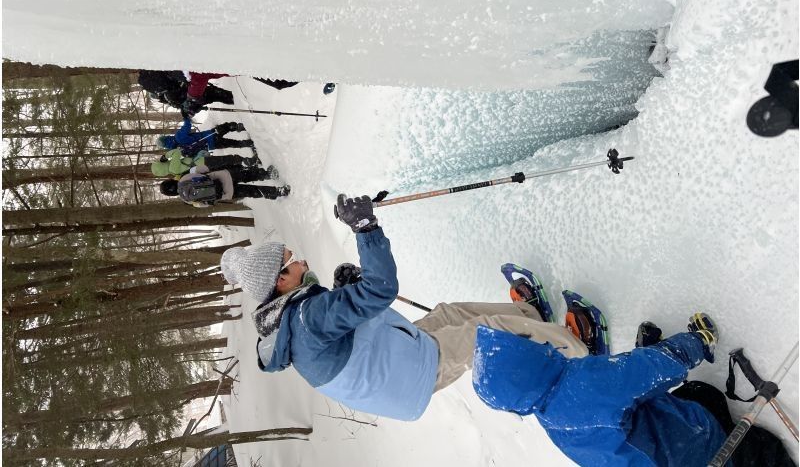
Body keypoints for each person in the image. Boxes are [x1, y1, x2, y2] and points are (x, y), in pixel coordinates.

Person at [219, 194, 587, 421]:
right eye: (292, 260)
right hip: (413, 373)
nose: (300, 261)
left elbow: (358, 334)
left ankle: (531, 318)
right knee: (484, 332)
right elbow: (381, 290)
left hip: (400, 354)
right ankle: (573, 346)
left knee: (450, 313)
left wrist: (350, 292)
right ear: (281, 281)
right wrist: (366, 230)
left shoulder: (296, 321)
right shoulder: (307, 318)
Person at [471, 312, 726, 467]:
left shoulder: (548, 411)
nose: (536, 342)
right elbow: (651, 368)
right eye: (525, 343)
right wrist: (696, 342)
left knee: (627, 398)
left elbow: (611, 409)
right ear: (525, 368)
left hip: (657, 454)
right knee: (701, 394)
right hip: (698, 451)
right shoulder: (579, 385)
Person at [159, 164, 289, 205]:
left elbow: (205, 204)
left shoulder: (186, 200)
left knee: (252, 191)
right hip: (223, 177)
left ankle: (278, 192)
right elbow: (203, 169)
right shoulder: (184, 178)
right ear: (171, 181)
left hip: (226, 193)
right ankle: (267, 174)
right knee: (248, 175)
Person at [138, 69, 234, 111]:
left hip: (198, 94)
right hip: (198, 95)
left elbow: (197, 76)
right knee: (218, 94)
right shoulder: (170, 92)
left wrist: (192, 100)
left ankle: (234, 98)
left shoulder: (173, 75)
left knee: (217, 94)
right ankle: (234, 98)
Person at [157, 119, 253, 157]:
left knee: (232, 144)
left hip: (210, 146)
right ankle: (242, 127)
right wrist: (186, 117)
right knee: (227, 126)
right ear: (166, 138)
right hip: (210, 136)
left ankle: (248, 143)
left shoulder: (177, 152)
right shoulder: (178, 137)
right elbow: (187, 126)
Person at [150, 148, 262, 179]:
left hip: (203, 166)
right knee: (228, 159)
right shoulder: (173, 167)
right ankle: (250, 161)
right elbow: (176, 151)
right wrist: (165, 156)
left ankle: (250, 165)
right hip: (203, 163)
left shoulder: (173, 171)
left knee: (227, 164)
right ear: (161, 165)